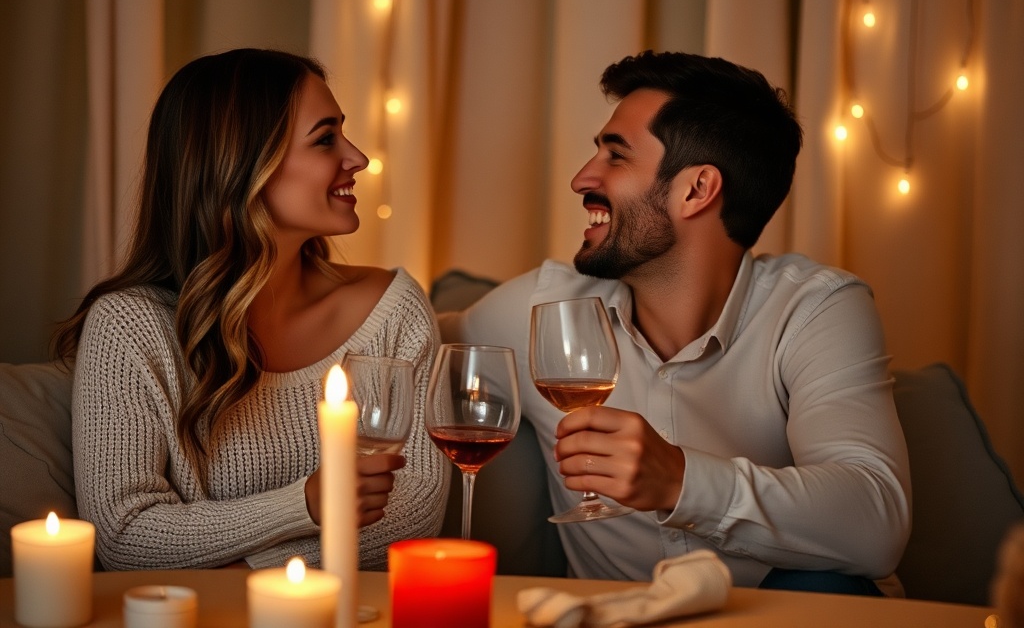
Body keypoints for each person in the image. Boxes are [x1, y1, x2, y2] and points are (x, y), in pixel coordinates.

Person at [439, 50, 911, 594]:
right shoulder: (542, 309)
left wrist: (681, 480)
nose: (579, 179)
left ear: (696, 190)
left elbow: (875, 523)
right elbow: (402, 340)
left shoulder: (815, 309)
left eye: (615, 157)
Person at [54, 48, 448, 571]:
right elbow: (125, 537)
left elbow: (415, 509)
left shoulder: (393, 309)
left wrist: (245, 572)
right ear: (242, 165)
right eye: (325, 138)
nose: (358, 158)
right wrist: (304, 506)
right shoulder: (129, 327)